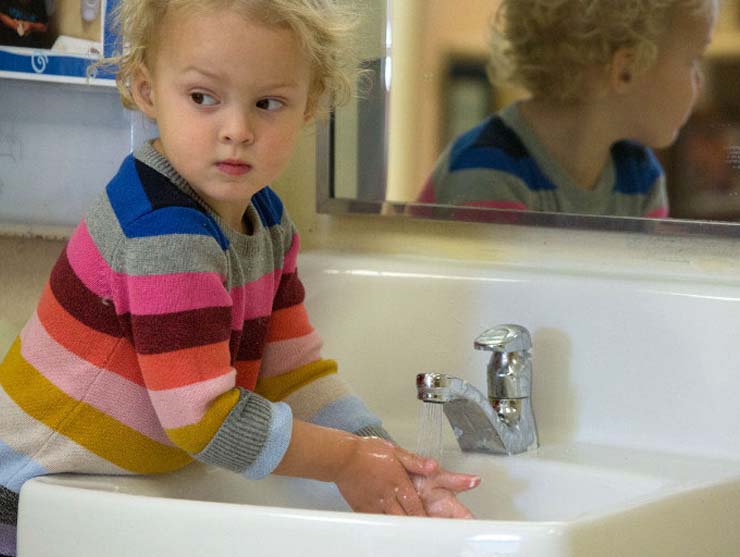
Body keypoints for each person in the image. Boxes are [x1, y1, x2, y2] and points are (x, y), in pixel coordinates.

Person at [0, 1, 481, 555]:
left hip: (82, 500)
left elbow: (292, 374)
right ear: (146, 89)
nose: (238, 131)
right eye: (203, 98)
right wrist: (347, 461)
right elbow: (206, 422)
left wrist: (389, 461)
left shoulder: (267, 220)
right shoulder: (162, 232)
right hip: (19, 500)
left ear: (311, 104)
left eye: (268, 103)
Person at [416, 0, 718, 218]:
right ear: (626, 69)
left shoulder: (640, 179)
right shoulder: (486, 173)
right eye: (692, 60)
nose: (699, 81)